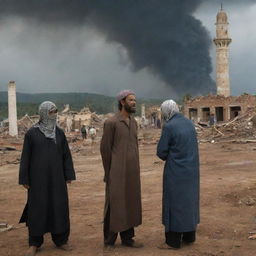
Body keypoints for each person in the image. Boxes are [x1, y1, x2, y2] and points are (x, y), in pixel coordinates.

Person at [19, 101, 76, 256]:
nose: (54, 115)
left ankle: (61, 240)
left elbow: (66, 156)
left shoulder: (59, 133)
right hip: (37, 181)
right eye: (51, 112)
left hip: (57, 179)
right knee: (37, 208)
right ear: (43, 113)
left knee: (59, 208)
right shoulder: (32, 133)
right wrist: (24, 178)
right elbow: (26, 158)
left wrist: (69, 174)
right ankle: (34, 243)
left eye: (55, 112)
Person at [100, 90, 143, 249]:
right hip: (116, 172)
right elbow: (105, 150)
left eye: (135, 100)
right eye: (131, 100)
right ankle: (109, 240)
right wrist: (108, 172)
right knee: (114, 204)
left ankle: (128, 238)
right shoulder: (111, 123)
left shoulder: (134, 122)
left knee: (130, 203)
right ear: (122, 102)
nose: (134, 103)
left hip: (132, 172)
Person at [156, 99, 200, 250]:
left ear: (166, 112)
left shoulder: (169, 127)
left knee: (174, 204)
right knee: (188, 202)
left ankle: (173, 242)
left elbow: (161, 152)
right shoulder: (189, 123)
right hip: (192, 172)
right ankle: (189, 236)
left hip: (175, 173)